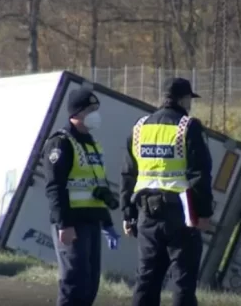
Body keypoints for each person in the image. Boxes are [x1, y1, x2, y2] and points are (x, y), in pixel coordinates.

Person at [120, 77, 213, 306]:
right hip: (180, 214)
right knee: (182, 280)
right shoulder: (187, 127)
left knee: (147, 278)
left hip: (146, 214)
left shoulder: (140, 127)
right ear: (183, 99)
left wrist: (127, 213)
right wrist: (203, 213)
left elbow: (128, 174)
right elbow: (199, 173)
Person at [42, 88, 121, 306]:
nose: (95, 114)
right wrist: (63, 224)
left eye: (96, 109)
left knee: (90, 283)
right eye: (90, 109)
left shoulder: (92, 143)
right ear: (76, 112)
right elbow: (54, 187)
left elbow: (96, 187)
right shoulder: (61, 143)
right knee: (74, 281)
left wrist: (107, 222)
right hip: (72, 223)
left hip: (92, 222)